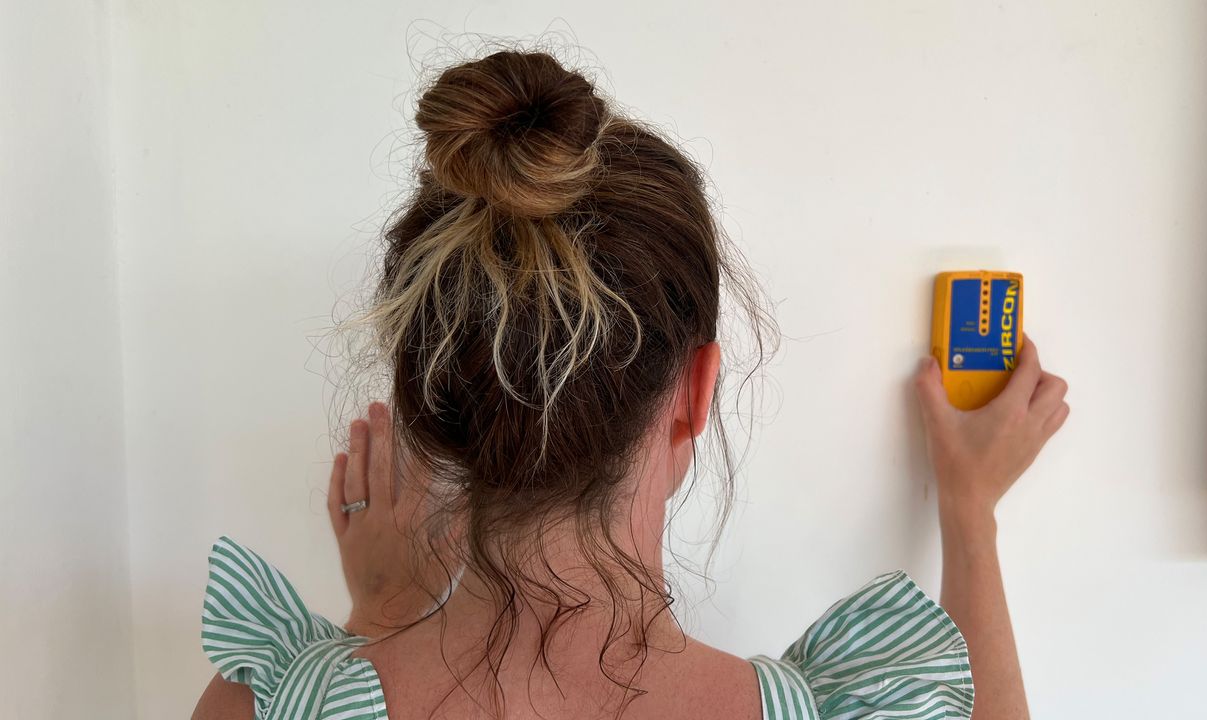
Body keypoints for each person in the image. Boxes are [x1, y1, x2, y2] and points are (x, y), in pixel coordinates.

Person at [192, 48, 1068, 720]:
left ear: (426, 407)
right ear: (694, 394)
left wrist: (379, 617)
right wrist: (970, 511)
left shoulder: (256, 708)